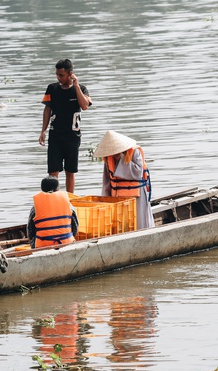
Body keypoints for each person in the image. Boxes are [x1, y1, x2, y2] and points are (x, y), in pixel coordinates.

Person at [38, 58, 92, 194]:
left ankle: (69, 200)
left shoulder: (81, 89)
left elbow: (85, 106)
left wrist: (77, 86)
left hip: (73, 136)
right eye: (57, 74)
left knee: (70, 171)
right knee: (53, 171)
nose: (58, 77)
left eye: (61, 75)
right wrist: (43, 131)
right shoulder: (52, 88)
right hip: (55, 135)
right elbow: (47, 110)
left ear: (70, 74)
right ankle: (54, 197)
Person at [93, 130, 154, 229]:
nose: (113, 153)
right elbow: (106, 182)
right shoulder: (109, 159)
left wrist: (121, 158)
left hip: (136, 196)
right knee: (120, 224)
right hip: (117, 197)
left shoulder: (134, 152)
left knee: (139, 223)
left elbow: (137, 173)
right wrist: (106, 200)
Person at [27, 175, 79, 249]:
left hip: (42, 246)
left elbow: (30, 232)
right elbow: (75, 228)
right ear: (57, 189)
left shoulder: (35, 207)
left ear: (42, 189)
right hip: (66, 243)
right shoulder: (68, 205)